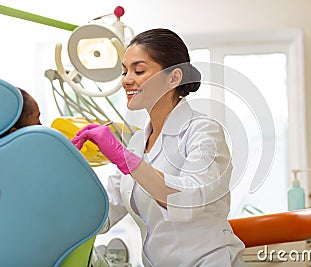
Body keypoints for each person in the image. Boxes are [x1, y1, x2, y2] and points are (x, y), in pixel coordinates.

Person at [72, 28, 245, 267]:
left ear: (174, 78)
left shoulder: (204, 131)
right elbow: (102, 215)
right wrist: (65, 174)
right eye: (124, 71)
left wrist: (124, 159)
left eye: (138, 70)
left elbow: (187, 199)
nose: (126, 80)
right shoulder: (136, 144)